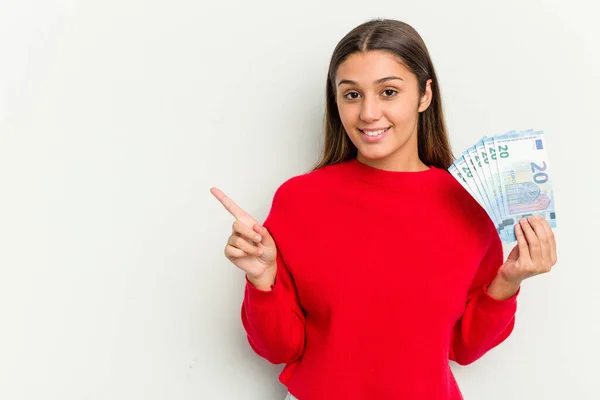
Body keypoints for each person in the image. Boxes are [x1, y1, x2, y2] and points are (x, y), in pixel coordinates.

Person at [210, 18, 557, 400]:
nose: (369, 113)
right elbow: (279, 349)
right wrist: (263, 280)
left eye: (388, 92)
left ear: (425, 95)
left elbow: (463, 349)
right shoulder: (299, 200)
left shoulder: (471, 204)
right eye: (352, 95)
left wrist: (507, 284)